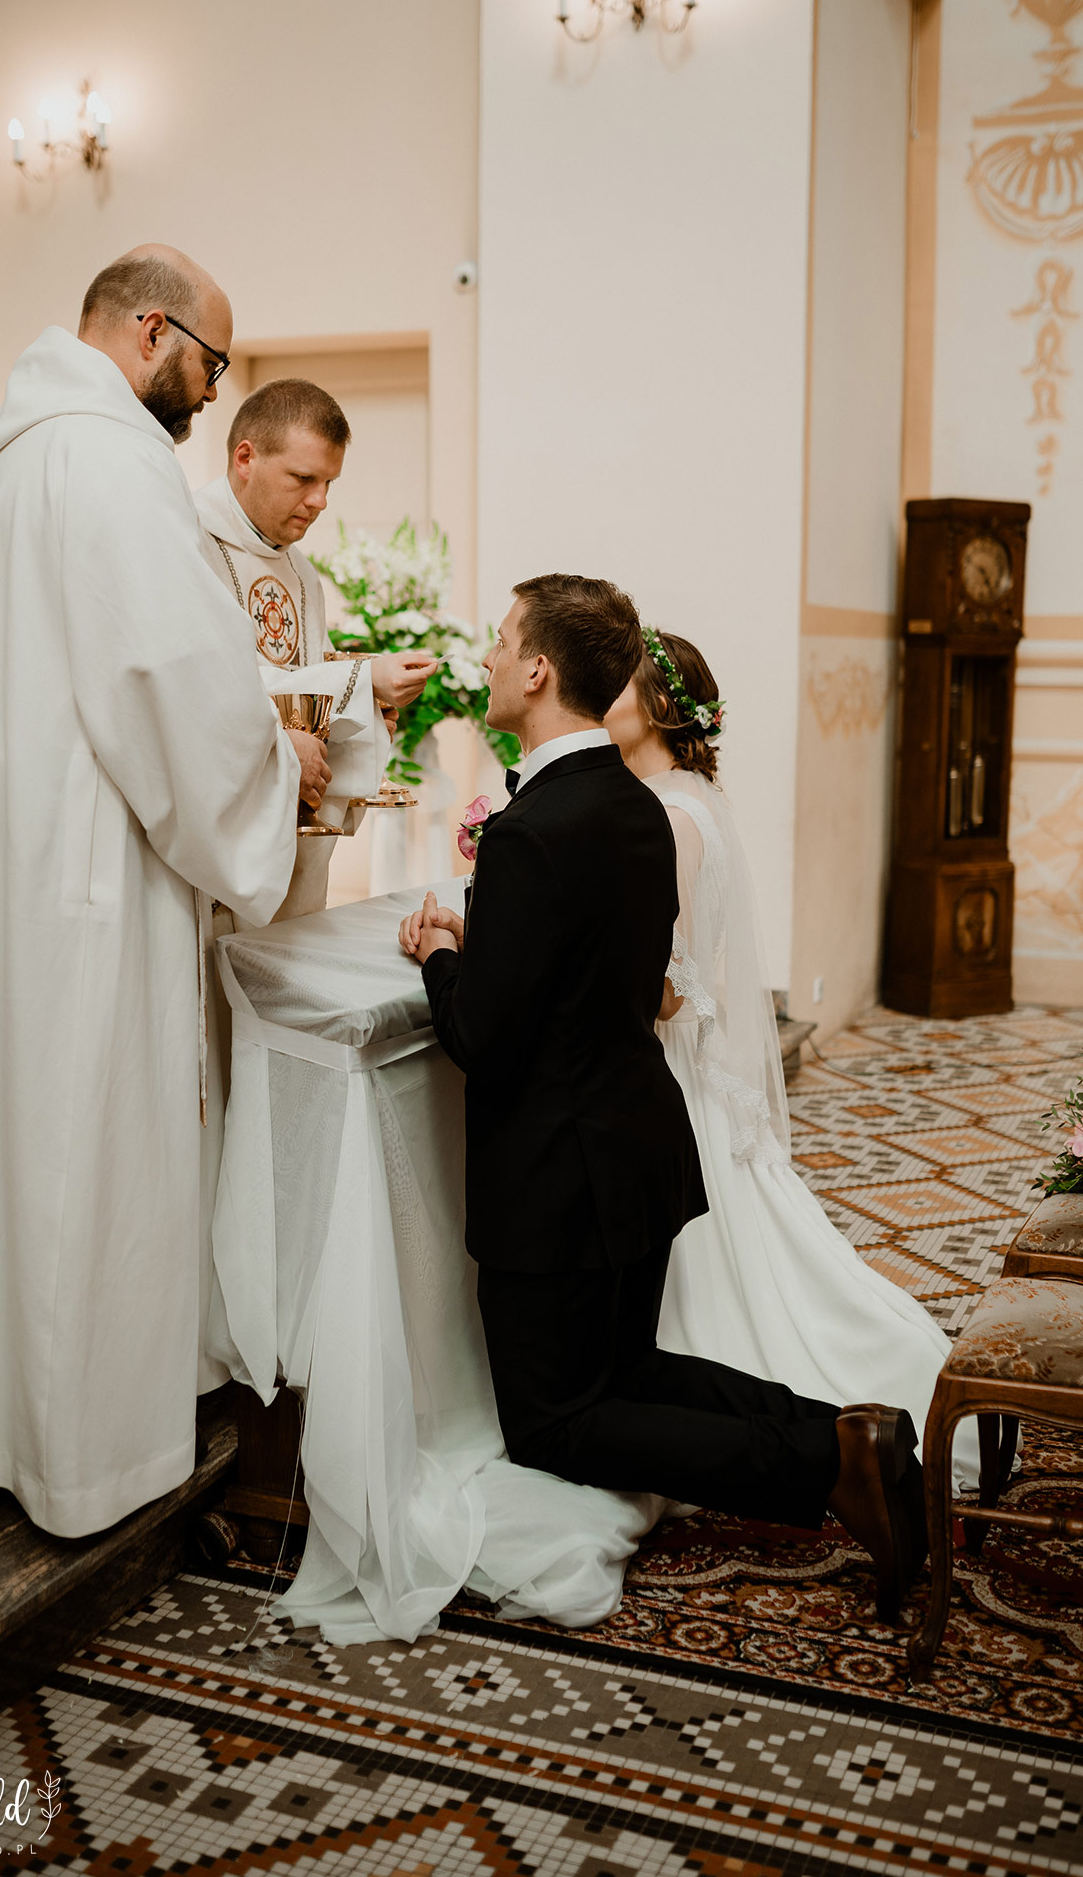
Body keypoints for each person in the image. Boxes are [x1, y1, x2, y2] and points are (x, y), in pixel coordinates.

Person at [0, 245, 319, 1538]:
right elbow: (175, 695)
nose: (214, 396)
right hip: (77, 883)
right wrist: (277, 765)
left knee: (1, 1147)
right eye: (211, 363)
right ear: (152, 330)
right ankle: (82, 1454)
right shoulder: (108, 464)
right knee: (74, 1159)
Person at [399, 574, 927, 1625]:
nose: (493, 657)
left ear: (541, 668)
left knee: (555, 1423)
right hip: (634, 1152)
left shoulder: (531, 829)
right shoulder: (643, 807)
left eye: (505, 641)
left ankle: (829, 1461)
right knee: (628, 1368)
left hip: (555, 1180)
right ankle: (854, 1428)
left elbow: (483, 1038)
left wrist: (440, 952)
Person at [602, 628, 972, 1487]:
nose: (597, 698)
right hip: (689, 1068)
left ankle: (838, 1417)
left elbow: (672, 985)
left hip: (668, 1067)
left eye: (614, 685)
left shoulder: (665, 813)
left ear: (659, 707)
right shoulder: (685, 795)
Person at [195, 378, 435, 921]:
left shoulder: (303, 575)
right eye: (303, 478)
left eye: (329, 482)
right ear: (245, 458)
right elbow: (202, 686)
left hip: (292, 851)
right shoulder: (187, 543)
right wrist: (362, 681)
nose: (320, 501)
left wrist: (368, 713)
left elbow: (310, 702)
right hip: (215, 861)